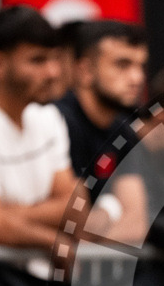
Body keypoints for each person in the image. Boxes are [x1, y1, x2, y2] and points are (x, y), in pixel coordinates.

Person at [0, 5, 82, 254]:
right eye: (38, 60)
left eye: (55, 58)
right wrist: (54, 241)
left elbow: (76, 209)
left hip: (43, 284)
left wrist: (8, 216)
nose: (53, 72)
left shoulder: (49, 117)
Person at [56, 20, 150, 245]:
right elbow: (65, 220)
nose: (137, 78)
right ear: (85, 70)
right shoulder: (56, 122)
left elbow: (136, 225)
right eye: (122, 65)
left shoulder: (124, 130)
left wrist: (99, 221)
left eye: (141, 66)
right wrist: (112, 209)